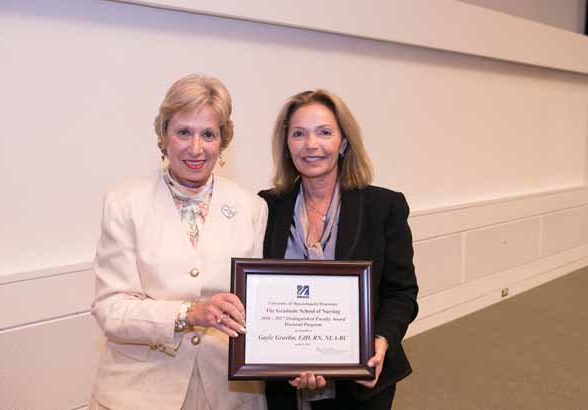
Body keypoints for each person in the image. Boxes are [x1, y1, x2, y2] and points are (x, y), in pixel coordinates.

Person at [90, 74, 268, 410]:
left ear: (223, 141)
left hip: (229, 392)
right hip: (141, 390)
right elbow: (110, 309)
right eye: (184, 132)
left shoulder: (252, 208)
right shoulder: (124, 202)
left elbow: (260, 305)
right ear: (164, 135)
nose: (196, 148)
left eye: (208, 134)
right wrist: (188, 313)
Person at [258, 90, 419, 410]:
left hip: (359, 387)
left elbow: (402, 293)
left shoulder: (383, 206)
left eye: (324, 132)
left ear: (344, 142)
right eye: (298, 134)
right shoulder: (266, 207)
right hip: (285, 386)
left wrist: (381, 340)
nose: (311, 144)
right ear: (287, 145)